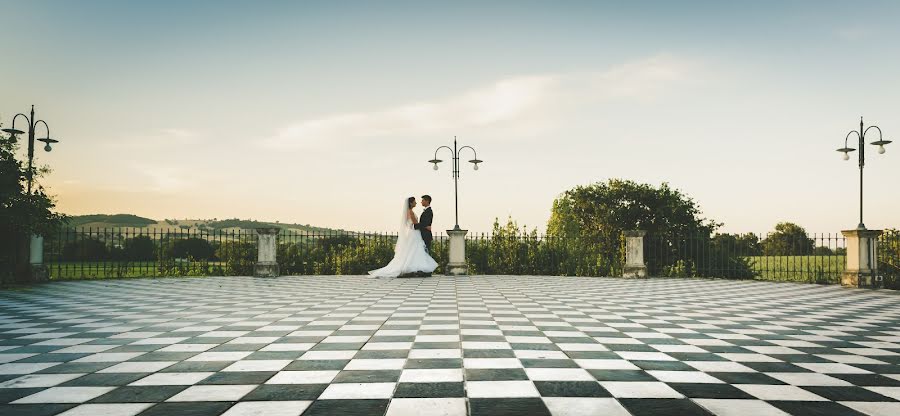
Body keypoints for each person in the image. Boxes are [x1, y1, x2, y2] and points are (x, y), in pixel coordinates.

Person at [368, 196, 438, 278]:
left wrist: (425, 226)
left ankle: (421, 270)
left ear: (427, 201)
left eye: (422, 200)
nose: (417, 202)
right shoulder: (410, 212)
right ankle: (418, 270)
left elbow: (417, 224)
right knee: (416, 251)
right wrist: (426, 226)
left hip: (416, 233)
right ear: (411, 203)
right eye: (415, 201)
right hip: (414, 233)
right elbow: (415, 224)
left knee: (415, 251)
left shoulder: (418, 211)